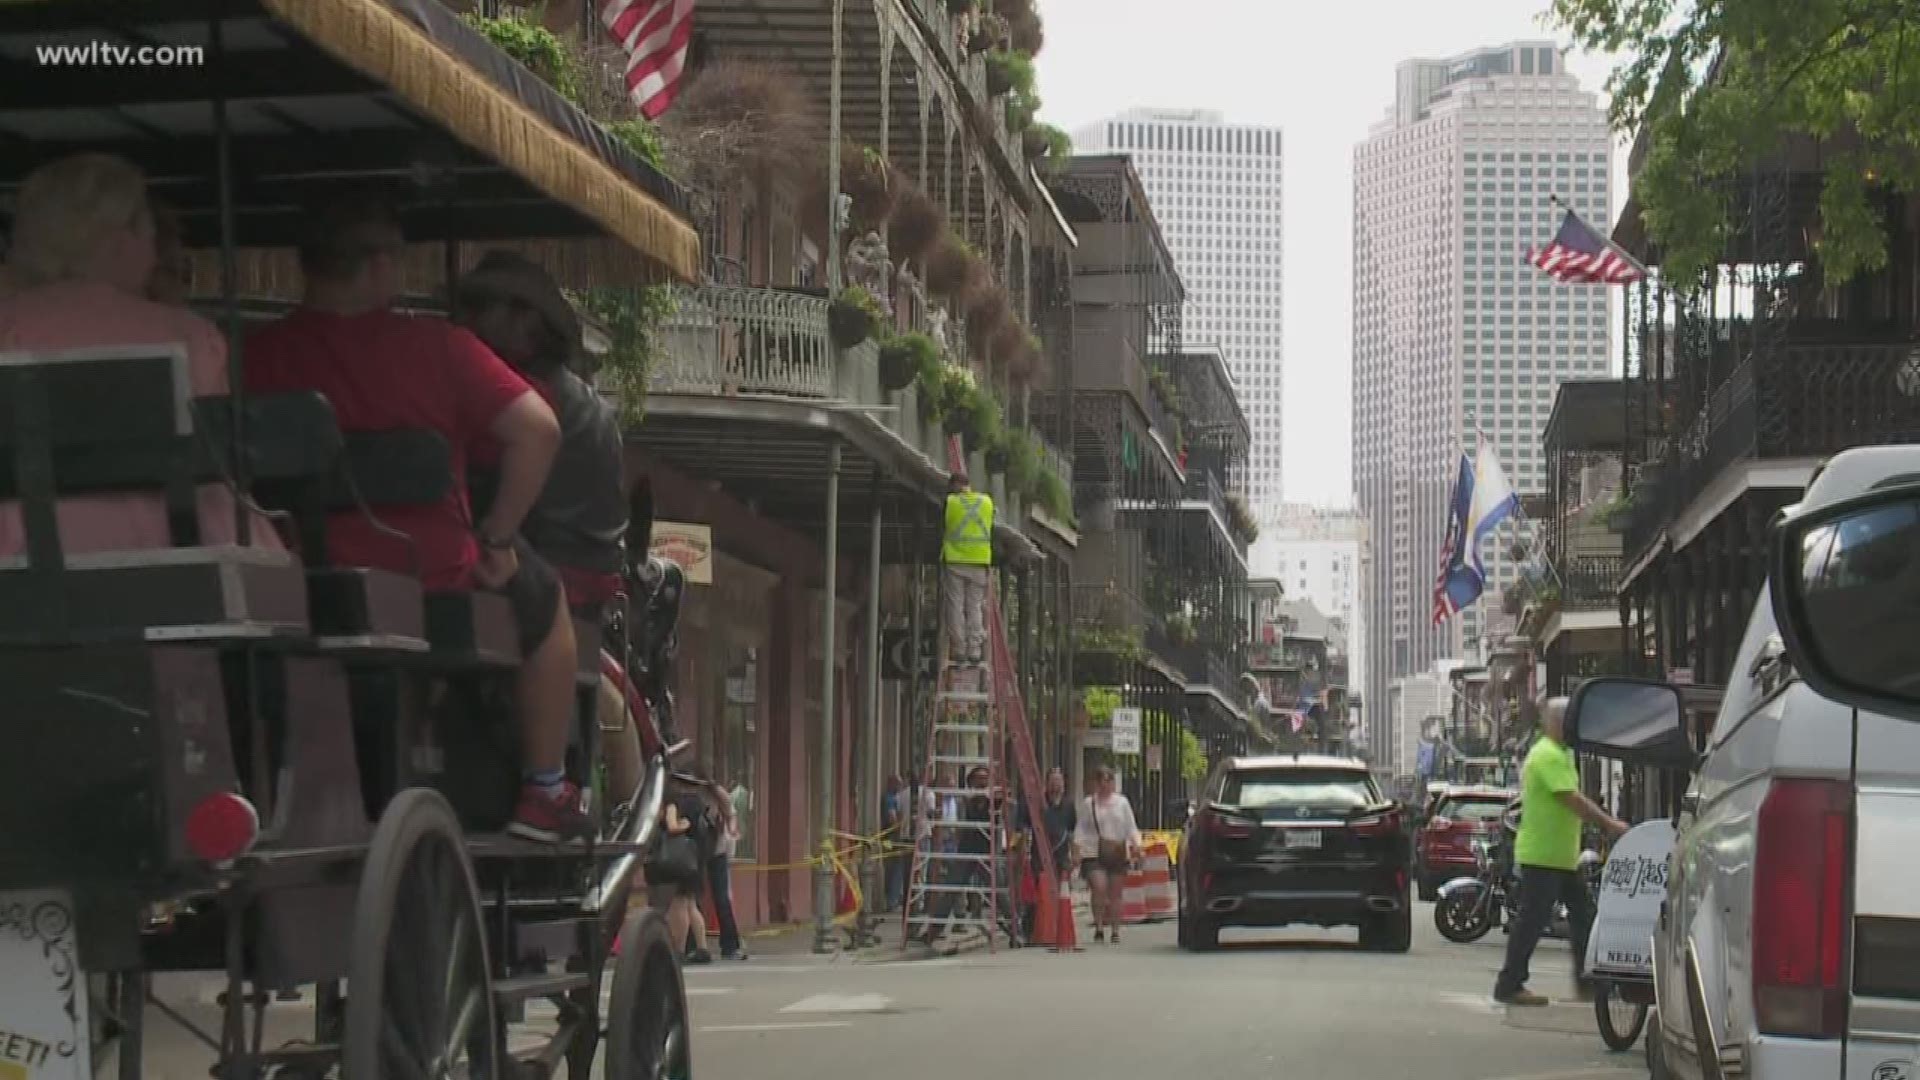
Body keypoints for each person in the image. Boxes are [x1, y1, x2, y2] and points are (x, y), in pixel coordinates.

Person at [244, 192, 586, 844]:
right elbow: (538, 432)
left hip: (295, 584)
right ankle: (544, 786)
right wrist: (498, 535)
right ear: (377, 266)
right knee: (548, 605)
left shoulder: (257, 356)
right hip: (428, 578)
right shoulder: (439, 348)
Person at [0, 153, 285, 562]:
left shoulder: (6, 327)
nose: (155, 252)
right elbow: (220, 463)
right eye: (149, 231)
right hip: (174, 548)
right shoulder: (188, 334)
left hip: (18, 552)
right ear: (122, 236)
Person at [452, 251, 644, 810]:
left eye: (481, 312)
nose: (467, 325)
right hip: (582, 569)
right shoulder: (579, 401)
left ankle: (544, 781)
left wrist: (491, 536)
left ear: (523, 321)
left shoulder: (527, 399)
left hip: (546, 570)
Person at [1494, 695, 1629, 1007]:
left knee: (1582, 914)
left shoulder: (1562, 753)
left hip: (1559, 856)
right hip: (1543, 856)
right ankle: (1510, 983)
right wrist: (1609, 823)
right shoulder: (1547, 755)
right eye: (1570, 721)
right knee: (1533, 921)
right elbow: (1571, 798)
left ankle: (1589, 981)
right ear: (1557, 723)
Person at [1074, 766, 1141, 944]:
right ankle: (1098, 926)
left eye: (1108, 780)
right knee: (1099, 886)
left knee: (1115, 893)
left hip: (1116, 851)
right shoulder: (1089, 804)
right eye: (1101, 781)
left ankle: (1115, 930)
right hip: (1094, 851)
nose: (1105, 785)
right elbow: (1080, 828)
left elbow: (1131, 827)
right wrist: (1077, 849)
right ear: (1096, 783)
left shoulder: (1122, 803)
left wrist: (1137, 845)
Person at [647, 782, 709, 962]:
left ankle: (679, 950)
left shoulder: (671, 802)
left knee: (679, 904)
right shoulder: (695, 801)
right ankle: (702, 947)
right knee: (691, 905)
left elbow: (672, 826)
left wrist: (682, 825)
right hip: (692, 859)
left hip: (679, 861)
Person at [940, 469, 993, 665]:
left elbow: (944, 525)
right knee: (975, 606)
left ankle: (959, 649)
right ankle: (975, 650)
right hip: (979, 562)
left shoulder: (950, 503)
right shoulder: (986, 502)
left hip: (955, 561)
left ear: (953, 486)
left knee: (955, 605)